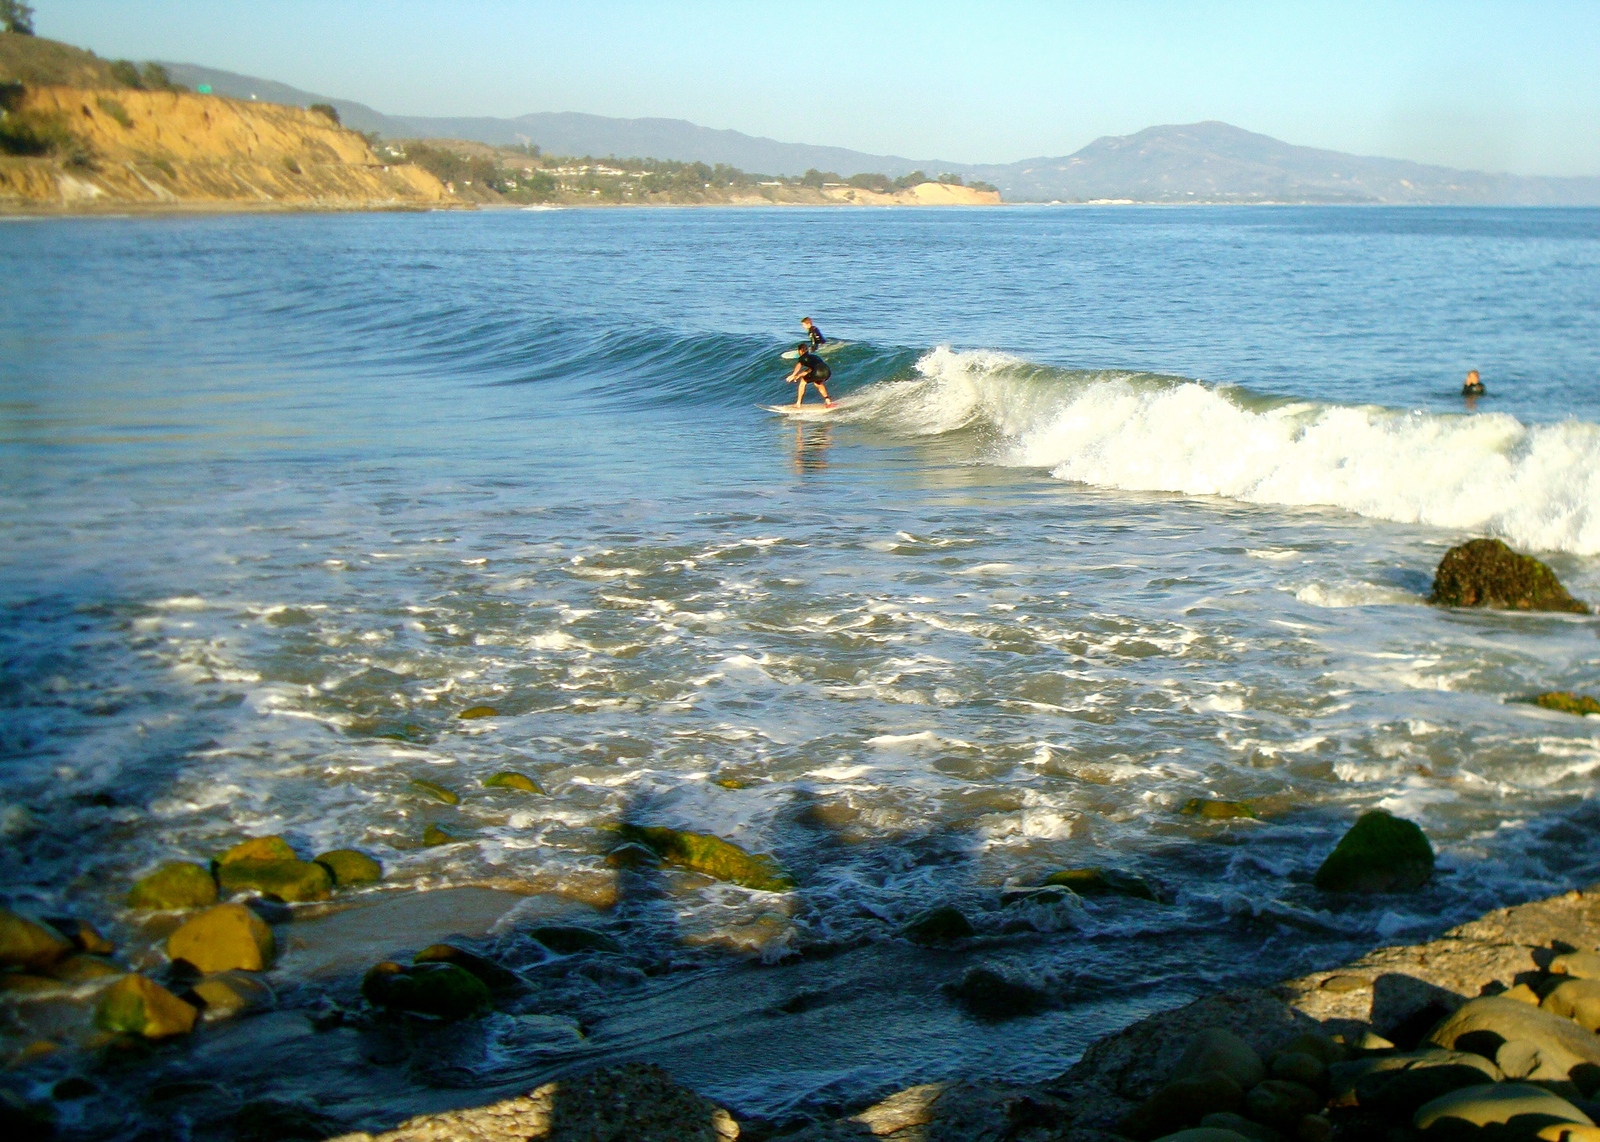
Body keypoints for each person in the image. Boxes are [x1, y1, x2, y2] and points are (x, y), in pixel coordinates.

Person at [785, 342, 834, 408]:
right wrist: (799, 375)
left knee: (803, 381)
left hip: (817, 371)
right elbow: (810, 370)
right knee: (818, 383)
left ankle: (798, 403)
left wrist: (793, 375)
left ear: (800, 350)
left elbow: (799, 365)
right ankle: (828, 401)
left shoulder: (803, 357)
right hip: (827, 371)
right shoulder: (814, 357)